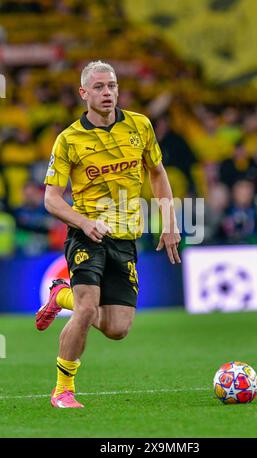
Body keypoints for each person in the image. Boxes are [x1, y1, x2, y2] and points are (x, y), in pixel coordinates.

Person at [35, 60, 181, 409]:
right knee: (87, 309)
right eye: (99, 87)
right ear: (83, 93)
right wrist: (83, 223)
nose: (107, 92)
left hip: (126, 238)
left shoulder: (140, 126)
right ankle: (63, 390)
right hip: (87, 235)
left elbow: (157, 173)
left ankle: (61, 296)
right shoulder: (69, 139)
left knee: (118, 328)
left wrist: (170, 221)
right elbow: (51, 199)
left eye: (112, 86)